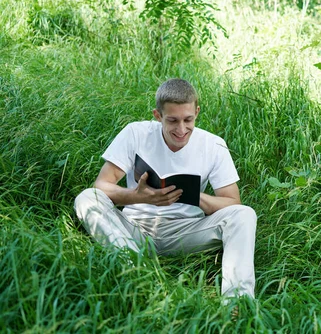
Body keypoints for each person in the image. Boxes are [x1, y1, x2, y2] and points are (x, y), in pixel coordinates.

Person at [74, 78, 257, 300]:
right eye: (172, 120)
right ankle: (132, 273)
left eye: (188, 119)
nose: (182, 129)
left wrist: (195, 197)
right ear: (157, 115)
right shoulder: (135, 133)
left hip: (186, 232)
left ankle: (237, 302)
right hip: (134, 230)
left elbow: (232, 202)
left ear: (197, 112)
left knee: (245, 214)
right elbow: (101, 185)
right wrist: (136, 197)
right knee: (86, 198)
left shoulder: (213, 144)